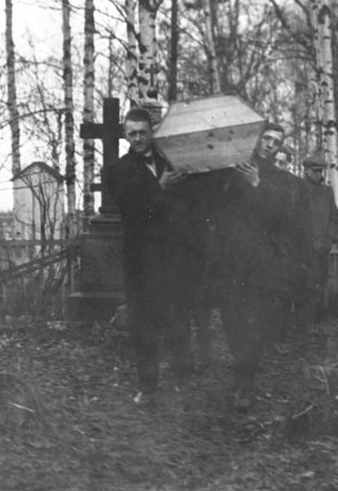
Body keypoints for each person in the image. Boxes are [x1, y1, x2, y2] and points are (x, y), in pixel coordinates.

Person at [204, 122, 312, 411]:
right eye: (266, 139)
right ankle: (243, 370)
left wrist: (257, 184)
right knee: (232, 322)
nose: (269, 145)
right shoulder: (234, 170)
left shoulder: (282, 180)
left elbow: (285, 215)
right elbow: (215, 207)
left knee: (254, 325)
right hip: (231, 264)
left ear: (279, 148)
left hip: (262, 268)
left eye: (275, 142)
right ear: (256, 140)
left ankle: (245, 385)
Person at [105, 107, 201, 404]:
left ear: (152, 132)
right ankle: (148, 387)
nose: (137, 138)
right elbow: (131, 213)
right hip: (141, 264)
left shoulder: (172, 162)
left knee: (178, 321)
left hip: (173, 260)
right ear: (125, 135)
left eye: (143, 132)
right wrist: (160, 189)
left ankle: (182, 381)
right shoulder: (117, 171)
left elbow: (186, 207)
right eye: (131, 133)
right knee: (143, 327)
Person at [299, 154, 338, 328]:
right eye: (314, 171)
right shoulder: (297, 189)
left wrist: (329, 240)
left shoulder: (326, 191)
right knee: (300, 284)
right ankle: (299, 322)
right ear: (306, 170)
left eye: (320, 171)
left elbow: (334, 218)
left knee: (317, 285)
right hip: (300, 247)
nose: (318, 174)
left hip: (320, 248)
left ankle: (312, 323)